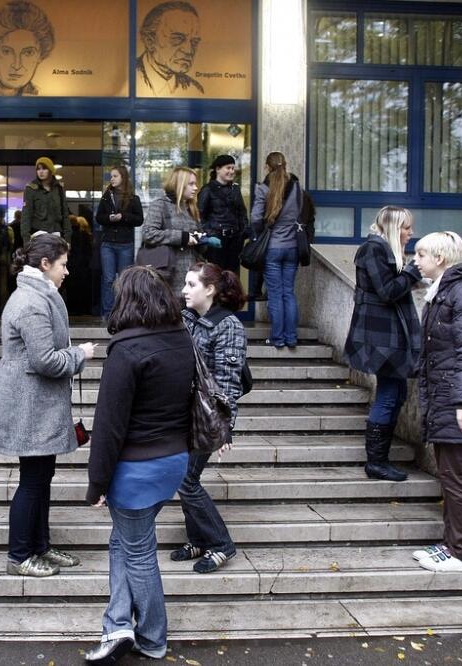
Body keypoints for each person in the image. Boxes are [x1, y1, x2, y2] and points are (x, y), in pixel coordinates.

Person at [84, 266, 196, 663]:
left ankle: (152, 637)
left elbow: (109, 425)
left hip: (136, 468)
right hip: (173, 460)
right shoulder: (181, 338)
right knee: (126, 541)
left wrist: (96, 483)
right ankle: (116, 624)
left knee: (139, 552)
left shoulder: (127, 349)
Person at [0, 233, 96, 577]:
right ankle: (20, 555)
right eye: (63, 264)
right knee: (33, 481)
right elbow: (46, 361)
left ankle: (40, 547)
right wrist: (80, 354)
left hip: (37, 406)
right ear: (45, 264)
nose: (68, 271)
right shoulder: (31, 302)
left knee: (40, 478)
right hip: (30, 408)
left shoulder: (38, 295)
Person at [411, 232, 462, 574]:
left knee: (457, 478)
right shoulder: (443, 291)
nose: (415, 260)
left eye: (421, 254)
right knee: (450, 475)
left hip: (457, 401)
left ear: (440, 258)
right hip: (444, 398)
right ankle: (451, 544)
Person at [171, 262, 247, 574]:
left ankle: (221, 543)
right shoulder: (188, 317)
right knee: (184, 478)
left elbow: (228, 383)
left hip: (207, 417)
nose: (184, 291)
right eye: (185, 284)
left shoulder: (228, 326)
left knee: (187, 480)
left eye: (191, 285)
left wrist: (223, 428)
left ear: (210, 290)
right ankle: (199, 539)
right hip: (186, 414)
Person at [344, 206, 422, 482]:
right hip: (380, 338)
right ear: (392, 228)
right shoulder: (373, 249)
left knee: (397, 394)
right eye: (406, 228)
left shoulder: (382, 249)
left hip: (387, 337)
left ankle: (380, 460)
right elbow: (387, 291)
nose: (410, 233)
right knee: (389, 395)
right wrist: (413, 273)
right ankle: (376, 462)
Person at [251, 151, 304, 349]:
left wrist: (259, 232)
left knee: (275, 294)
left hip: (272, 247)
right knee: (288, 293)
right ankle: (291, 338)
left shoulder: (263, 188)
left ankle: (278, 338)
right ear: (285, 164)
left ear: (267, 166)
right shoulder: (296, 186)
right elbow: (300, 211)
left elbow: (255, 218)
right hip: (292, 247)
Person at [142, 166, 202, 297]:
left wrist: (202, 239)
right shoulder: (160, 204)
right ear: (180, 184)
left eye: (195, 184)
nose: (196, 188)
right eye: (191, 184)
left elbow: (195, 235)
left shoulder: (191, 207)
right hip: (167, 271)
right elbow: (148, 233)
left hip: (190, 273)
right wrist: (182, 237)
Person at [0, 0, 55, 96]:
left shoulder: (34, 94)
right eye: (6, 51)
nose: (17, 66)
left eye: (28, 53)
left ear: (40, 56)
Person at [95, 165, 144, 317]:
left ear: (123, 177)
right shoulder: (106, 196)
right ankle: (108, 313)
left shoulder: (133, 198)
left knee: (124, 279)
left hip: (125, 244)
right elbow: (98, 217)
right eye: (111, 176)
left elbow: (139, 220)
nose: (112, 179)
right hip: (108, 243)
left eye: (115, 176)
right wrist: (108, 218)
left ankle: (124, 312)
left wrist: (124, 217)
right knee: (108, 279)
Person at [136, 1, 203, 96]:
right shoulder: (128, 76)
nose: (189, 51)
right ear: (149, 41)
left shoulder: (195, 89)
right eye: (177, 39)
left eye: (194, 42)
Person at [198, 155, 248, 274]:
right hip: (216, 240)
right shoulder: (207, 189)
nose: (231, 171)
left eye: (233, 168)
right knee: (216, 275)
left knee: (232, 276)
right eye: (228, 168)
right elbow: (200, 215)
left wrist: (242, 233)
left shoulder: (235, 189)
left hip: (235, 240)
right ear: (218, 169)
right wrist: (209, 235)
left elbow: (242, 213)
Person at [21, 157, 69, 242]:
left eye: (44, 168)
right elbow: (26, 215)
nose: (41, 172)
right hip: (38, 233)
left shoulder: (59, 189)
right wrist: (26, 239)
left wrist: (68, 238)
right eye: (38, 169)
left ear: (50, 170)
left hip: (56, 233)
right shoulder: (31, 189)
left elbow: (65, 214)